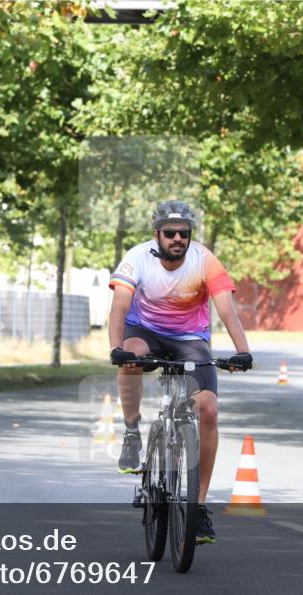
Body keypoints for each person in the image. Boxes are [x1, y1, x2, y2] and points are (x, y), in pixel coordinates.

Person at [108, 200, 252, 544]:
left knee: (209, 409)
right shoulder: (137, 258)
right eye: (170, 233)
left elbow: (228, 312)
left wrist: (243, 351)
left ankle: (198, 507)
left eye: (183, 234)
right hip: (146, 332)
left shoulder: (205, 261)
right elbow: (119, 306)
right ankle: (131, 433)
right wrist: (116, 346)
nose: (177, 239)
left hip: (190, 340)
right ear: (157, 234)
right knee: (131, 357)